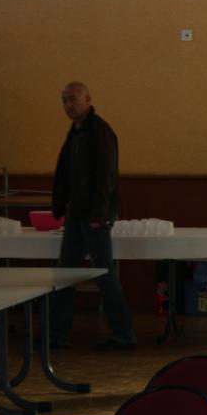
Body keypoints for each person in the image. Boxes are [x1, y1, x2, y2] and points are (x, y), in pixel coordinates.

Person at [49, 81, 136, 351]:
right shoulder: (76, 132)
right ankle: (57, 335)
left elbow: (106, 176)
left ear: (88, 99)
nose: (68, 105)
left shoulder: (99, 131)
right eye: (64, 100)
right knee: (65, 275)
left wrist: (100, 215)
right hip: (77, 213)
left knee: (104, 275)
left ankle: (124, 335)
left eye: (73, 99)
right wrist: (60, 204)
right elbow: (66, 172)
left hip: (94, 216)